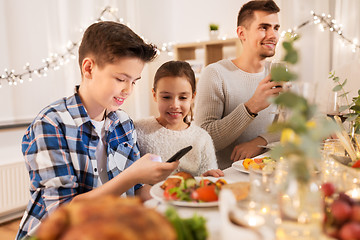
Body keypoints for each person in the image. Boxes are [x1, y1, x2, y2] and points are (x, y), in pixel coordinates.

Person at [17, 21, 179, 239]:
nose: (128, 90)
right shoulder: (51, 124)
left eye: (134, 81)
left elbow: (138, 190)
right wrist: (130, 176)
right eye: (121, 79)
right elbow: (63, 213)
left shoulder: (122, 123)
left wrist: (176, 196)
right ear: (89, 68)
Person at [194, 0, 282, 169]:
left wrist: (261, 141)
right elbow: (203, 138)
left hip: (267, 174)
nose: (273, 35)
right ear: (242, 33)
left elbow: (293, 125)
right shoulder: (215, 74)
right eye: (264, 27)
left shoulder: (277, 73)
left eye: (276, 28)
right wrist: (251, 107)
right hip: (224, 179)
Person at [135, 61, 223, 177]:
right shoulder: (138, 130)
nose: (175, 105)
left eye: (183, 97)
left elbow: (207, 180)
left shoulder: (202, 138)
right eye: (166, 97)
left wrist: (208, 177)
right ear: (155, 95)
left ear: (192, 97)